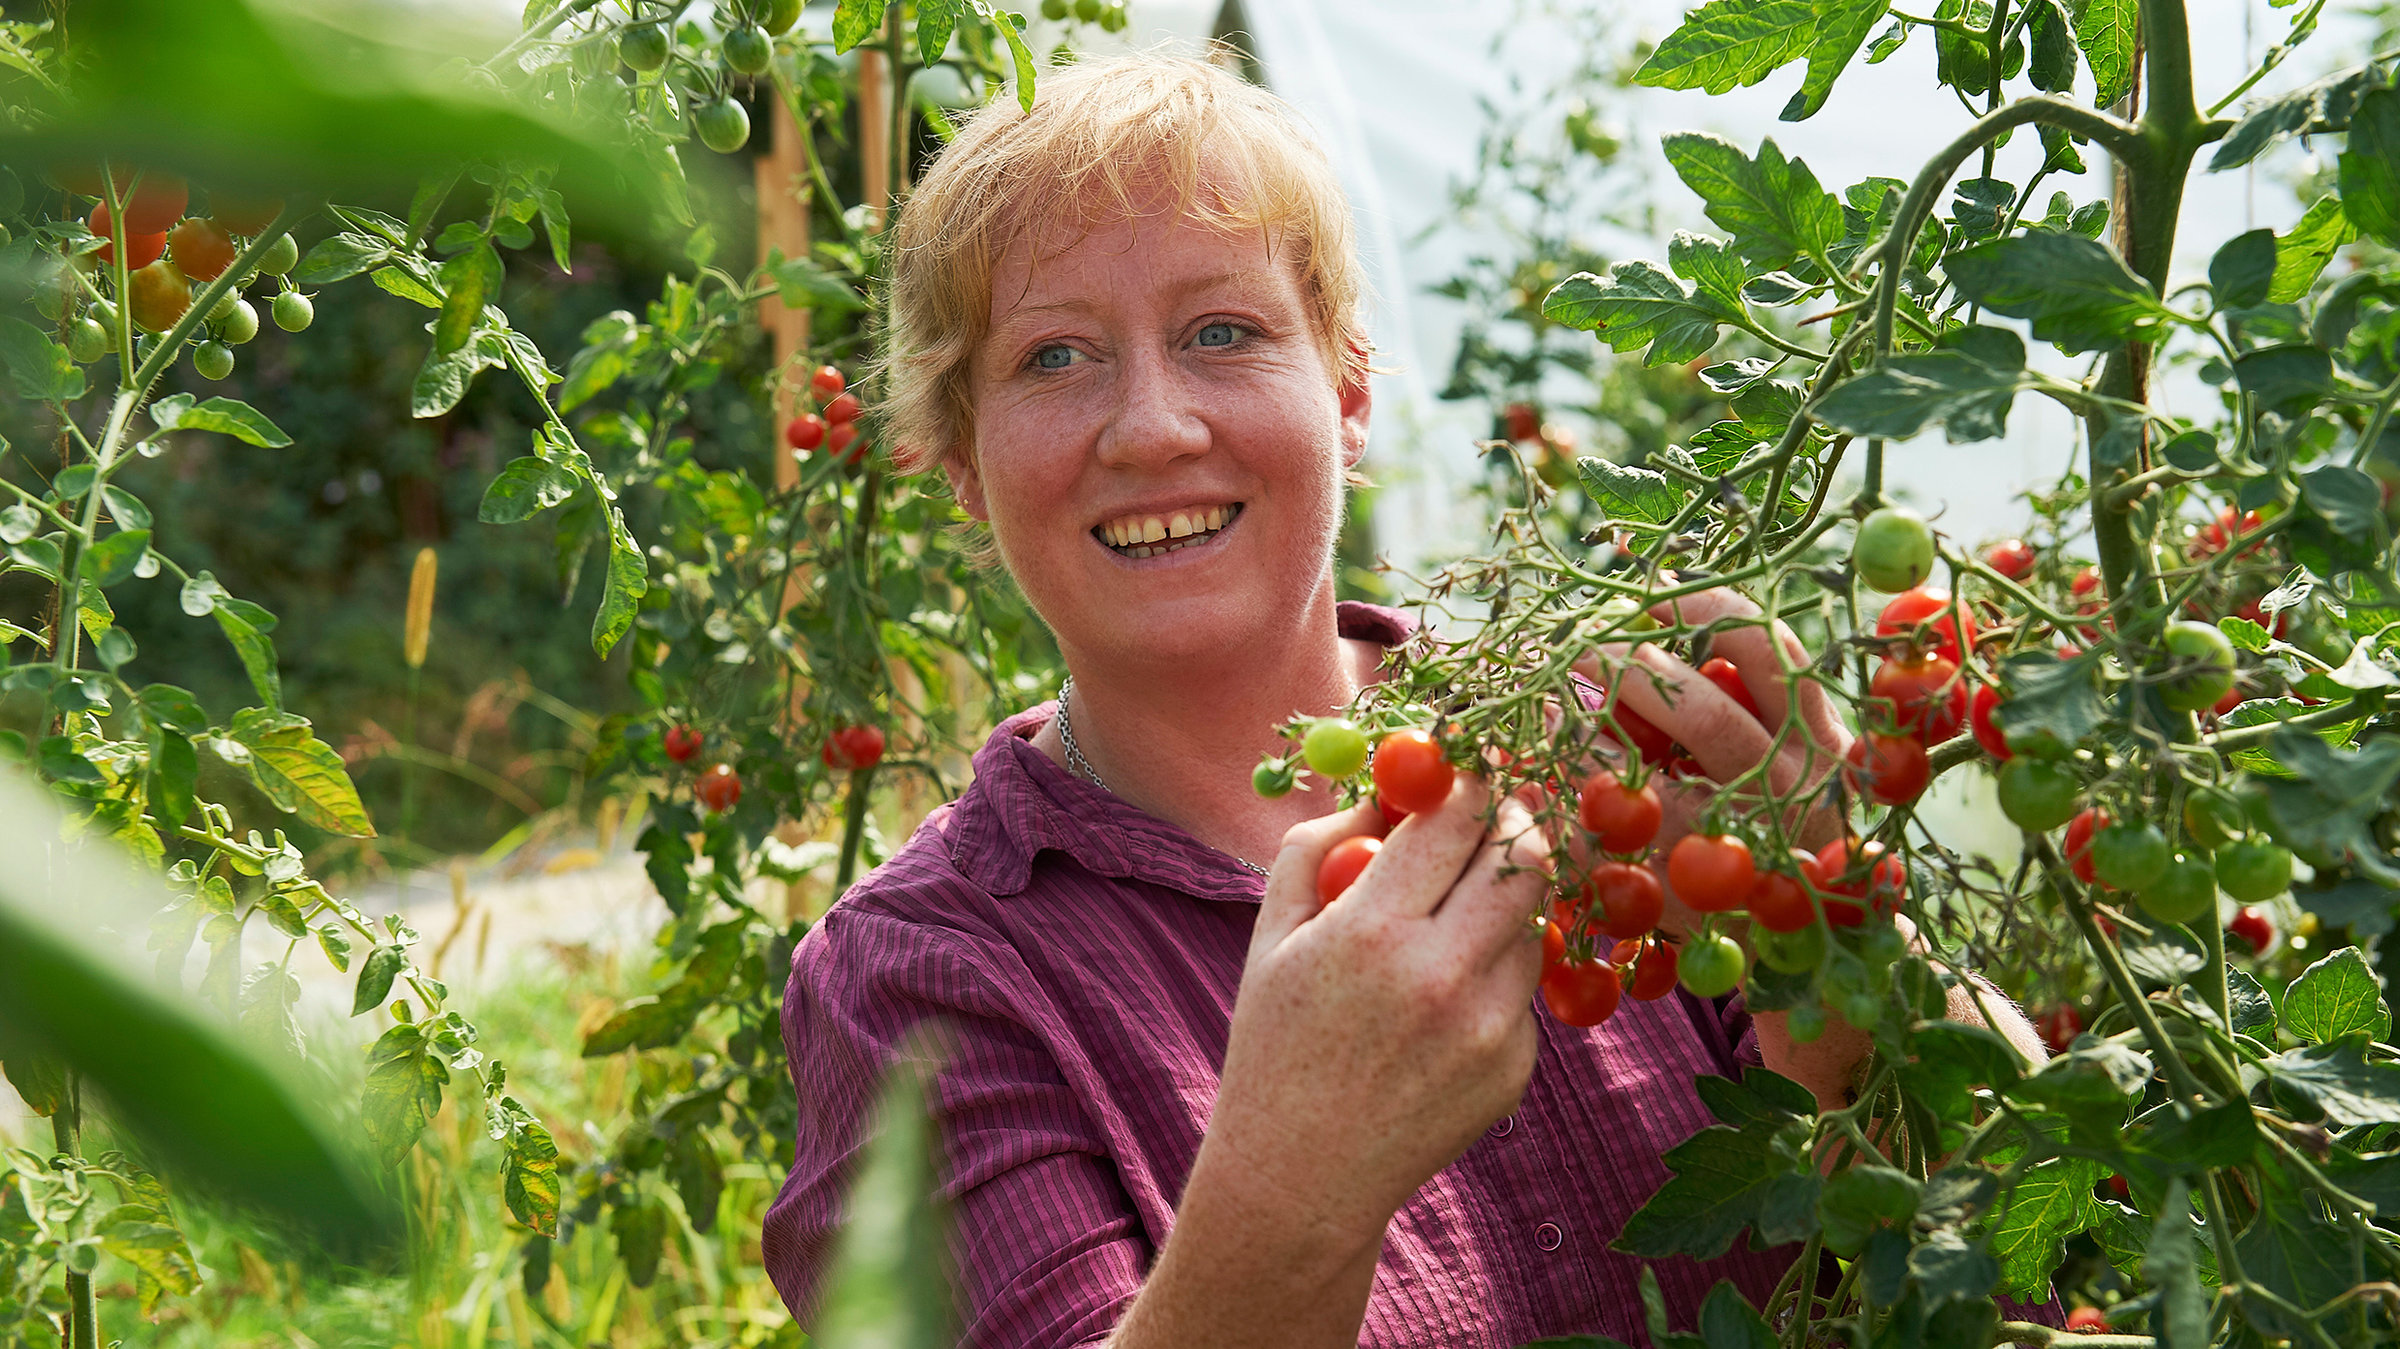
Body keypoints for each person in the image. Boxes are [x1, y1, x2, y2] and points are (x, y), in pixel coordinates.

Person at [761, 50, 2045, 1348]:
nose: (1150, 426)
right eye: (1052, 357)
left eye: (1223, 331)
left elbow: (2008, 1260)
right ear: (964, 466)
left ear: (1351, 394)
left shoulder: (1615, 752)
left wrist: (1840, 939)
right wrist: (1294, 1181)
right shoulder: (919, 982)